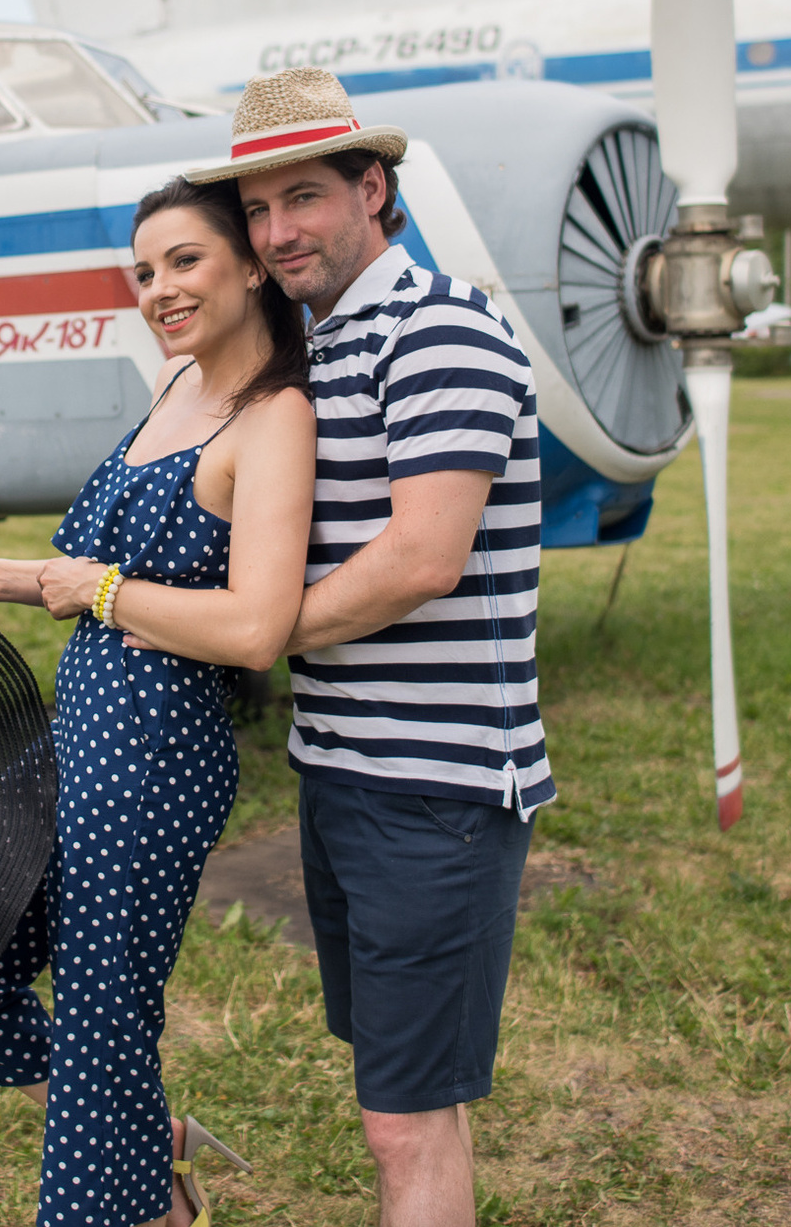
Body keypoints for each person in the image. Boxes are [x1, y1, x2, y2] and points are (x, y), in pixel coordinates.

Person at [0, 175, 317, 1227]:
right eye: (143, 270)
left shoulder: (275, 417)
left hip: (157, 749)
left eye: (184, 260)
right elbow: (96, 569)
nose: (158, 288)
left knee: (101, 1009)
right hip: (79, 728)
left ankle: (130, 1175)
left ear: (252, 264)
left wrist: (100, 590)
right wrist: (4, 569)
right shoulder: (176, 388)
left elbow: (257, 626)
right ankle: (141, 1138)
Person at [189, 65, 548, 1227]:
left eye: (303, 197)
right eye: (256, 208)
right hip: (343, 767)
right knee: (395, 1086)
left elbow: (422, 557)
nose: (278, 230)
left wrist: (252, 634)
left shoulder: (439, 324)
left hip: (433, 784)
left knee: (406, 1116)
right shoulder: (317, 347)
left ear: (372, 188)